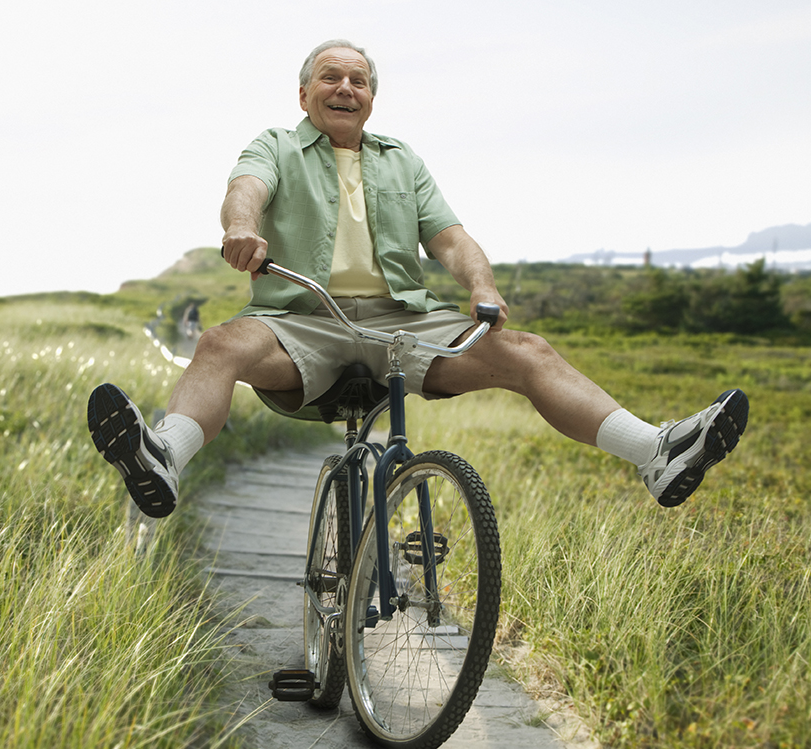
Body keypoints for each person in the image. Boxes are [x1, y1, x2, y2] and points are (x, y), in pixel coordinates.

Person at [87, 39, 749, 519]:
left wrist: (481, 285)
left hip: (405, 322)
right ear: (304, 93)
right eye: (330, 78)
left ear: (371, 96)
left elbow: (453, 240)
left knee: (528, 352)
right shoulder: (276, 145)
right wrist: (240, 228)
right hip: (301, 319)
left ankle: (657, 452)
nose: (346, 88)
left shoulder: (402, 160)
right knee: (220, 345)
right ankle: (162, 456)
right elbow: (245, 191)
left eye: (359, 80)